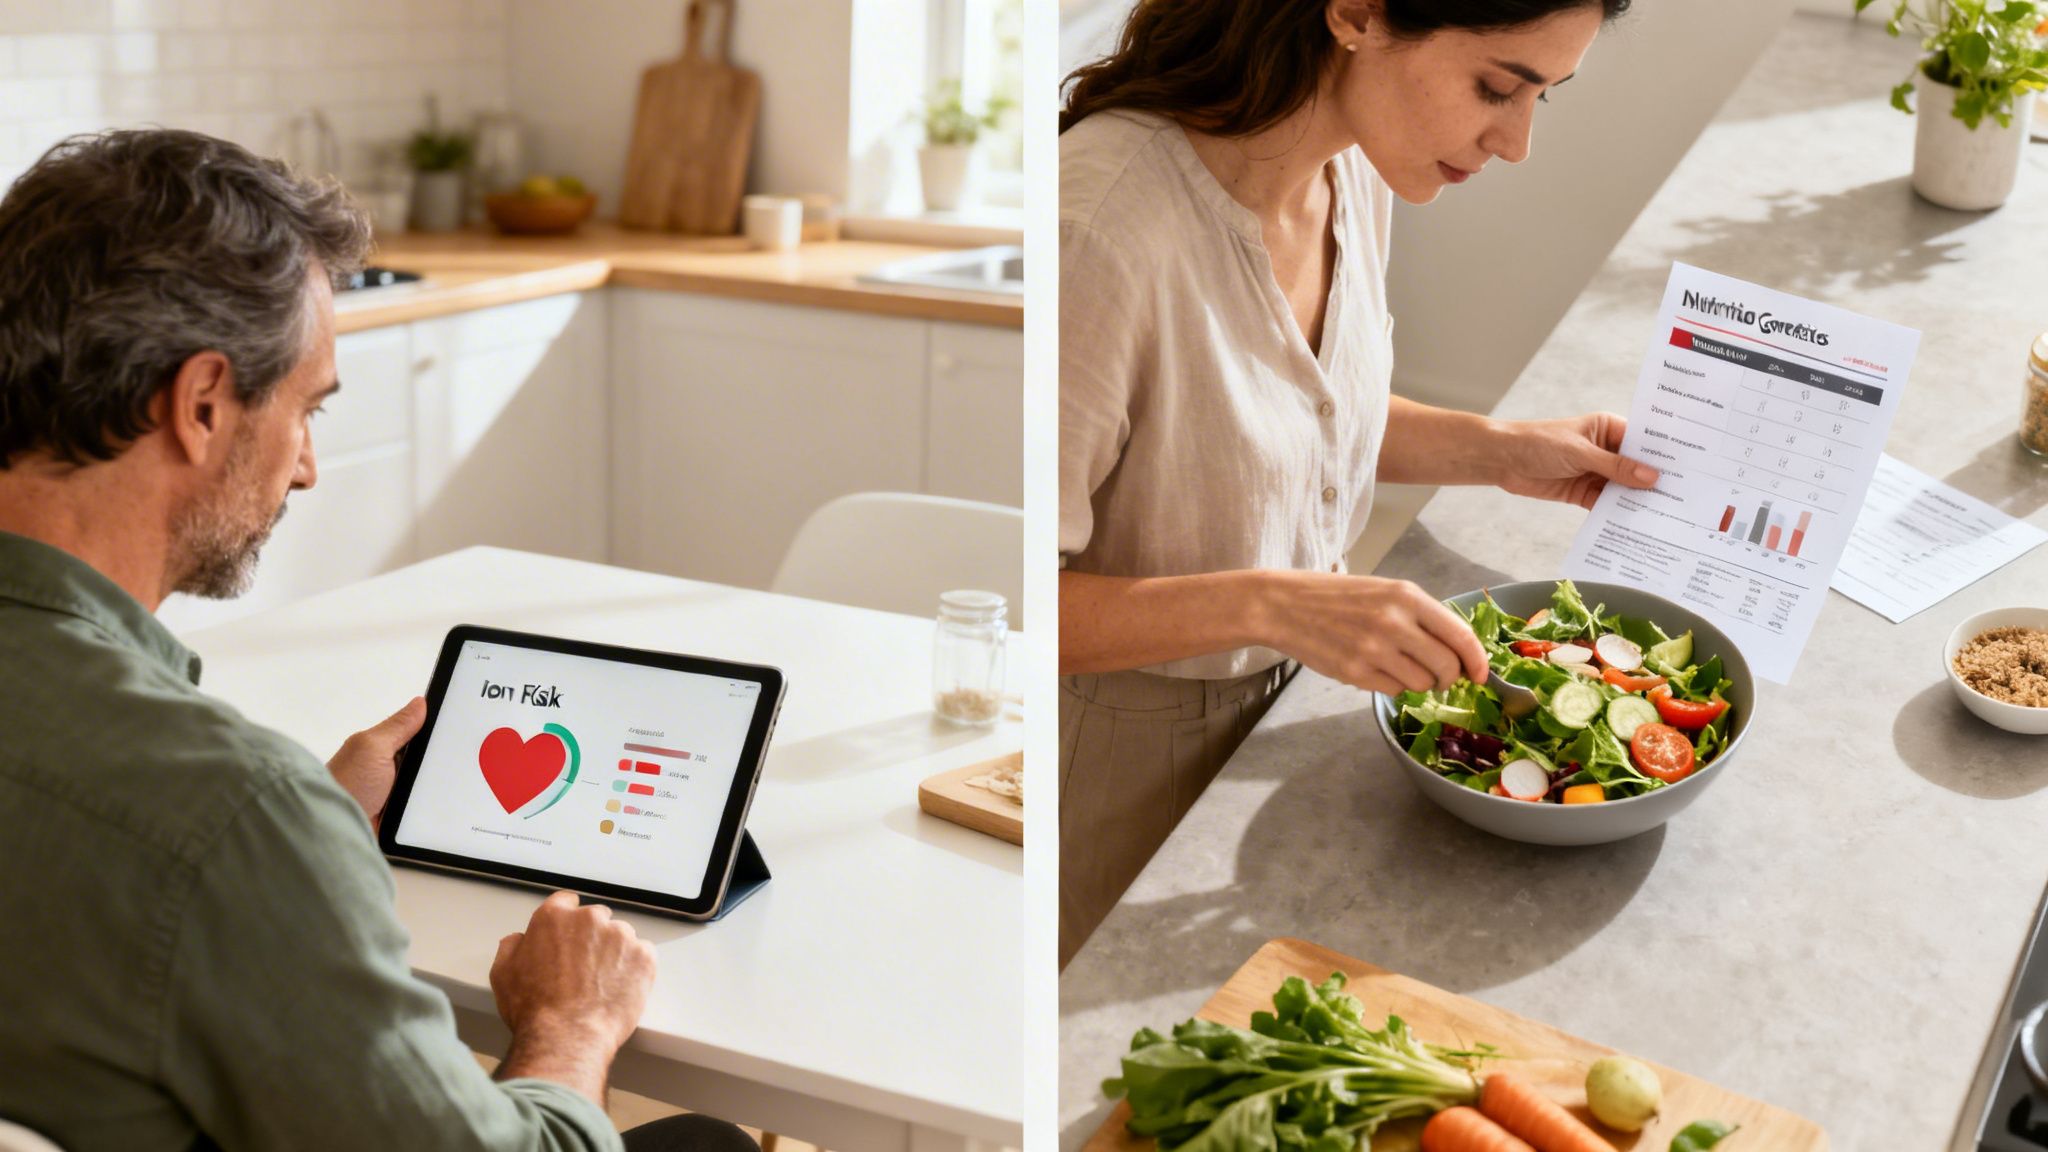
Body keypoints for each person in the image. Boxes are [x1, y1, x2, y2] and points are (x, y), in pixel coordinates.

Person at [0, 129, 755, 1152]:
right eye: (306, 410)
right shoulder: (227, 818)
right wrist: (570, 1026)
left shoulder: (216, 824)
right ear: (202, 404)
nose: (306, 469)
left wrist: (301, 850)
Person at [1057, 0, 1660, 965]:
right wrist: (1272, 605)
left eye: (1543, 95)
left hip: (1287, 712)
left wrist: (1499, 449)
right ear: (1356, 15)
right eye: (1497, 87)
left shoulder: (1350, 166)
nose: (1516, 142)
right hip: (1112, 775)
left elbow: (1286, 422)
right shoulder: (1096, 232)